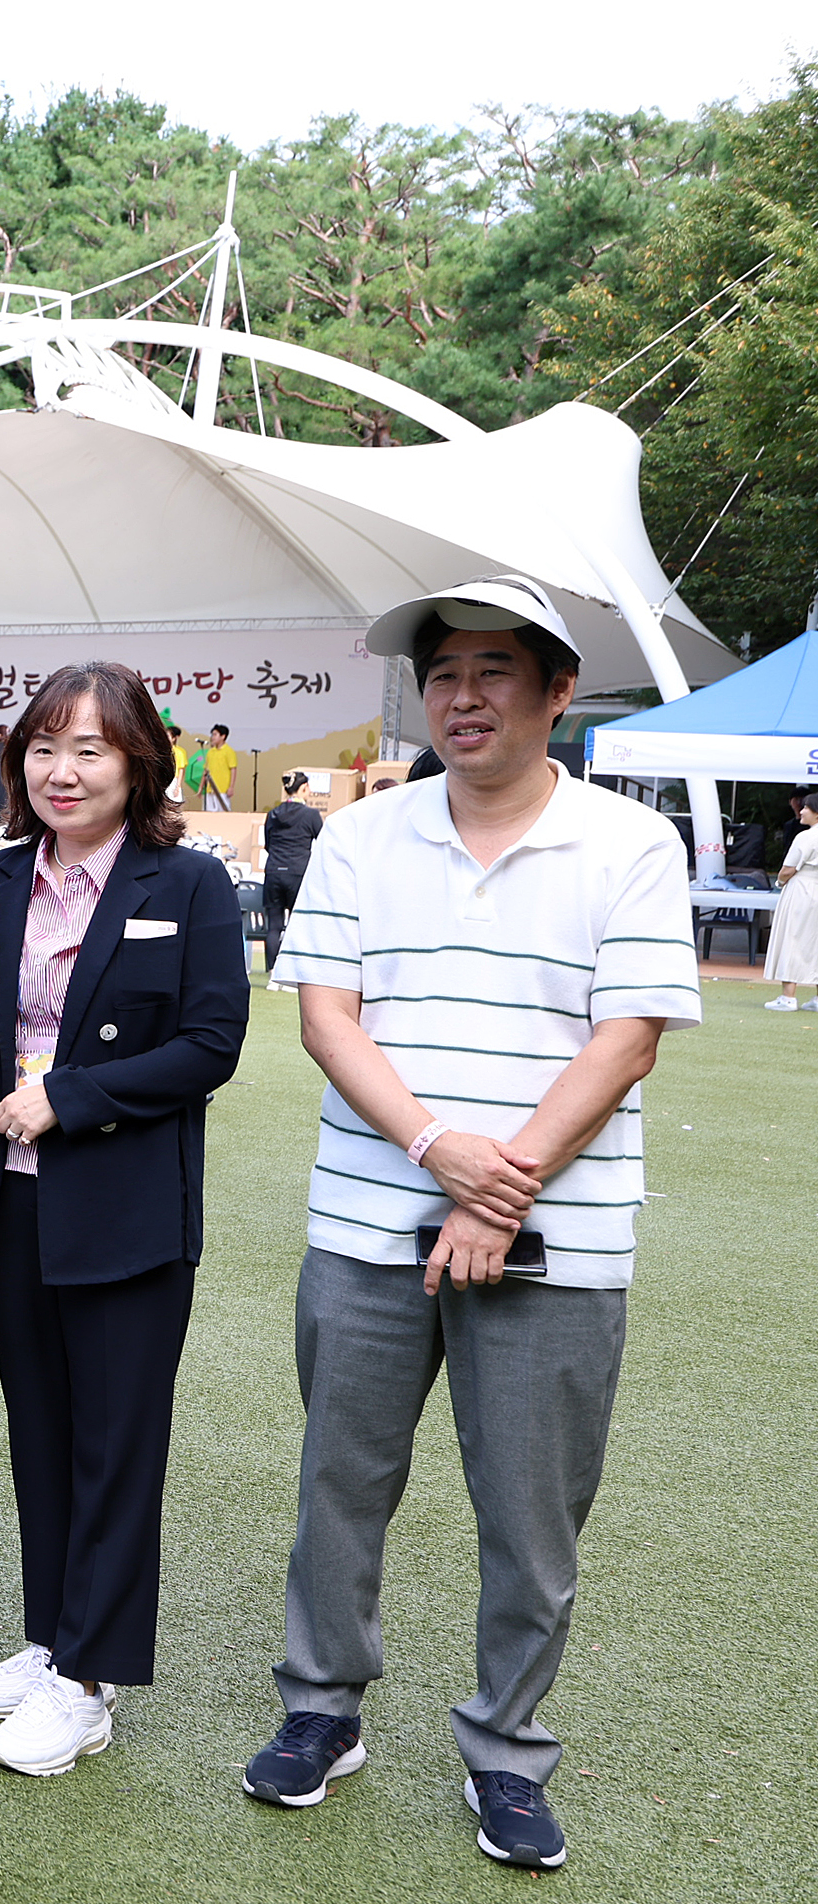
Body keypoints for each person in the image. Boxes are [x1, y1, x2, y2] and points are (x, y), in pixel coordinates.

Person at [249, 576, 701, 1872]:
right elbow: (323, 1015)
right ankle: (316, 1713)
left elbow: (625, 1043)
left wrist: (495, 1189)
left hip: (559, 1240)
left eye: (493, 670)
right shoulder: (355, 839)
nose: (462, 696)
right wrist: (438, 1151)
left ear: (555, 691)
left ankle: (504, 1751)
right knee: (338, 1486)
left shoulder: (629, 843)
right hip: (365, 1222)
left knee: (530, 1518)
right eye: (442, 673)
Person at [0, 663, 247, 1776]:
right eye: (43, 748)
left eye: (91, 750)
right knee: (42, 1431)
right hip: (7, 1203)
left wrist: (71, 1095)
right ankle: (48, 1637)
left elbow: (211, 1044)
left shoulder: (191, 881)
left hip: (123, 1208)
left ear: (138, 763)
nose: (62, 770)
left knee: (116, 1443)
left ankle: (88, 1678)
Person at [259, 771, 324, 987]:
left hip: (274, 872)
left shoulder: (273, 814)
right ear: (304, 788)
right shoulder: (311, 815)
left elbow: (268, 844)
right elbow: (323, 843)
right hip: (298, 873)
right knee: (298, 925)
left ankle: (272, 976)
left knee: (274, 925)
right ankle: (291, 977)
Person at [765, 785, 818, 1009]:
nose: (802, 811)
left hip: (802, 890)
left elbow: (788, 870)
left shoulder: (805, 837)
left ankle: (788, 997)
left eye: (806, 807)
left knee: (792, 937)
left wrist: (779, 882)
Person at [202, 726, 237, 811]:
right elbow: (206, 770)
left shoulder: (229, 751)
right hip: (210, 789)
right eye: (212, 735)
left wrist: (231, 787)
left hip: (222, 789)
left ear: (223, 736)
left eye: (215, 734)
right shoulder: (210, 752)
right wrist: (201, 787)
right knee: (208, 813)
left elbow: (233, 769)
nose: (212, 737)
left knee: (223, 812)